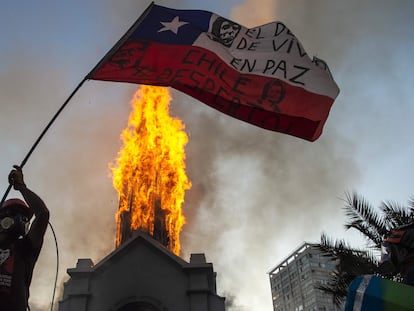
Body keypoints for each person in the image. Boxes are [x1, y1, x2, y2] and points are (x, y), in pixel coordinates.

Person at [0, 165, 49, 310]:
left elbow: (42, 214)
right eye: (14, 214)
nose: (20, 220)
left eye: (24, 217)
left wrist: (21, 187)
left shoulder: (25, 248)